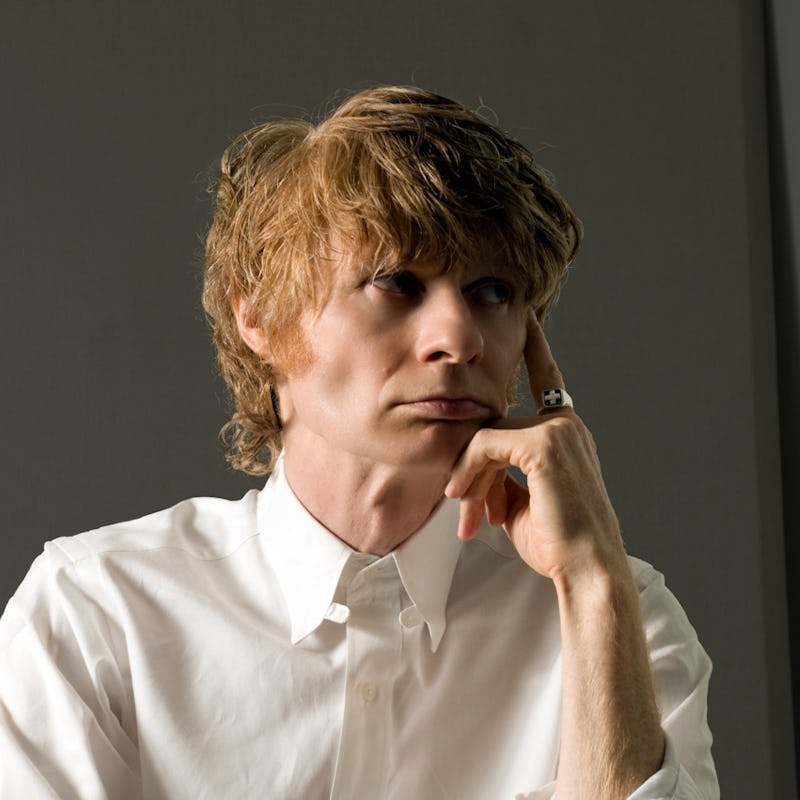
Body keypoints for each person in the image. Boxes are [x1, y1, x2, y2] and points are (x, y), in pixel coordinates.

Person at [0, 86, 718, 799]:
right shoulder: (95, 616)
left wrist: (592, 583)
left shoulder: (621, 618)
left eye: (494, 292)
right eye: (397, 282)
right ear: (263, 318)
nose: (459, 338)